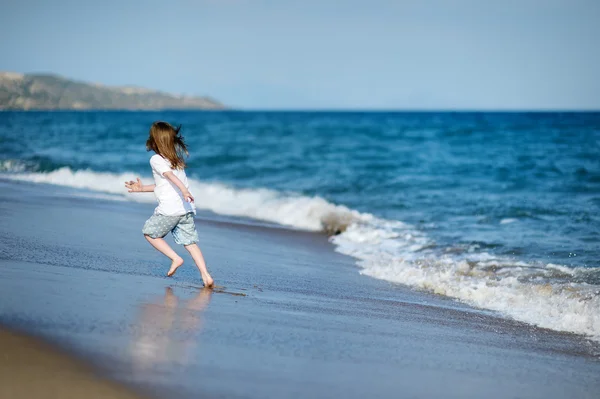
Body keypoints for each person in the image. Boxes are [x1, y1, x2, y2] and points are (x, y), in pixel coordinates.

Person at [125, 121, 214, 287]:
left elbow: (170, 178)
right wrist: (142, 188)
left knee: (149, 233)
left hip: (169, 210)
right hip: (185, 209)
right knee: (191, 243)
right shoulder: (176, 161)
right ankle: (206, 275)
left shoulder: (156, 159)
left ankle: (175, 258)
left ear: (155, 141)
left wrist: (184, 190)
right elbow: (165, 185)